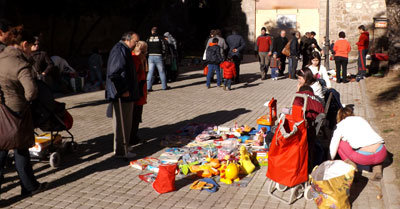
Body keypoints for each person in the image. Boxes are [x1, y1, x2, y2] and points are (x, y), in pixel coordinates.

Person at [0, 25, 47, 196]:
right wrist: (24, 100)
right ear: (24, 44)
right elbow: (31, 92)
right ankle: (29, 187)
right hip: (17, 112)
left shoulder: (0, 57)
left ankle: (29, 186)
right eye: (30, 46)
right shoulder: (20, 64)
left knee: (2, 147)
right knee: (20, 150)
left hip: (0, 110)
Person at [105, 31, 140, 159]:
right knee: (122, 123)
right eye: (135, 42)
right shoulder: (119, 50)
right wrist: (122, 90)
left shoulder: (123, 49)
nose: (136, 45)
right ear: (128, 39)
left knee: (125, 123)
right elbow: (114, 73)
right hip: (122, 95)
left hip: (126, 94)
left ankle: (123, 147)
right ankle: (121, 151)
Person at [329, 106, 387, 181]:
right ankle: (377, 168)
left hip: (364, 158)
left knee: (340, 143)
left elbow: (333, 146)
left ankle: (352, 168)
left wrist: (329, 160)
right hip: (381, 153)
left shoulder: (340, 126)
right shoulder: (361, 119)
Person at [130, 41, 148, 145]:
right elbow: (136, 77)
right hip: (137, 93)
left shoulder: (136, 58)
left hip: (139, 92)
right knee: (135, 117)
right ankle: (132, 137)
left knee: (136, 116)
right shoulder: (136, 59)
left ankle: (133, 136)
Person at [146, 27, 170, 91]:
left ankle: (148, 87)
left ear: (151, 31)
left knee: (150, 72)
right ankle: (164, 87)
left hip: (150, 56)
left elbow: (146, 47)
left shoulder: (148, 38)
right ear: (157, 31)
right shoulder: (161, 38)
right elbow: (165, 47)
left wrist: (147, 55)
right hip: (159, 56)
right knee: (161, 72)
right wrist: (165, 55)